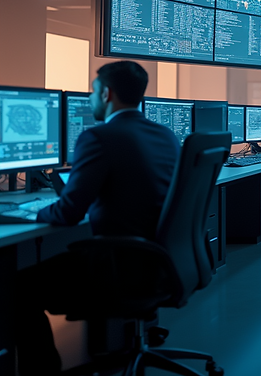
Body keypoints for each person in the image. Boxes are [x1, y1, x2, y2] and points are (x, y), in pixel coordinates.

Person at [15, 61, 181, 375]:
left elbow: (68, 213)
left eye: (92, 92)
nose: (91, 99)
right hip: (164, 262)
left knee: (16, 287)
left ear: (105, 93)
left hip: (122, 266)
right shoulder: (166, 135)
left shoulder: (100, 137)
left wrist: (31, 211)